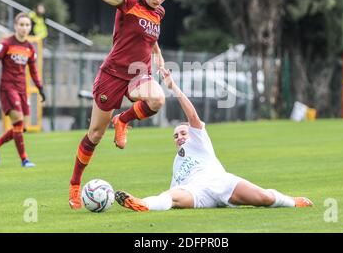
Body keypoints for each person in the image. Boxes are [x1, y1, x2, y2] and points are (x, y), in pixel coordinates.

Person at [114, 68, 314, 211]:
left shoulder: (199, 141)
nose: (179, 137)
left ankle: (292, 201)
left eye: (183, 132)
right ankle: (142, 204)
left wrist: (173, 87)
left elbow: (192, 116)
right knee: (171, 197)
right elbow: (175, 189)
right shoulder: (177, 163)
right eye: (176, 136)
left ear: (191, 133)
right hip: (196, 192)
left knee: (264, 198)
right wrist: (165, 198)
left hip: (219, 182)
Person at [68, 0, 171, 209]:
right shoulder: (130, 2)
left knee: (157, 99)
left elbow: (150, 38)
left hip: (139, 73)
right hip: (113, 74)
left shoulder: (160, 13)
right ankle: (74, 184)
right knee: (95, 135)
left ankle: (122, 120)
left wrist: (159, 57)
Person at [0, 12, 46, 168]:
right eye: (21, 25)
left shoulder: (30, 48)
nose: (24, 28)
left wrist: (40, 87)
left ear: (30, 27)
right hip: (8, 88)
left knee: (23, 127)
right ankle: (24, 159)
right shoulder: (7, 43)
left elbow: (33, 70)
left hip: (23, 89)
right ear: (16, 26)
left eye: (27, 25)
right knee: (19, 122)